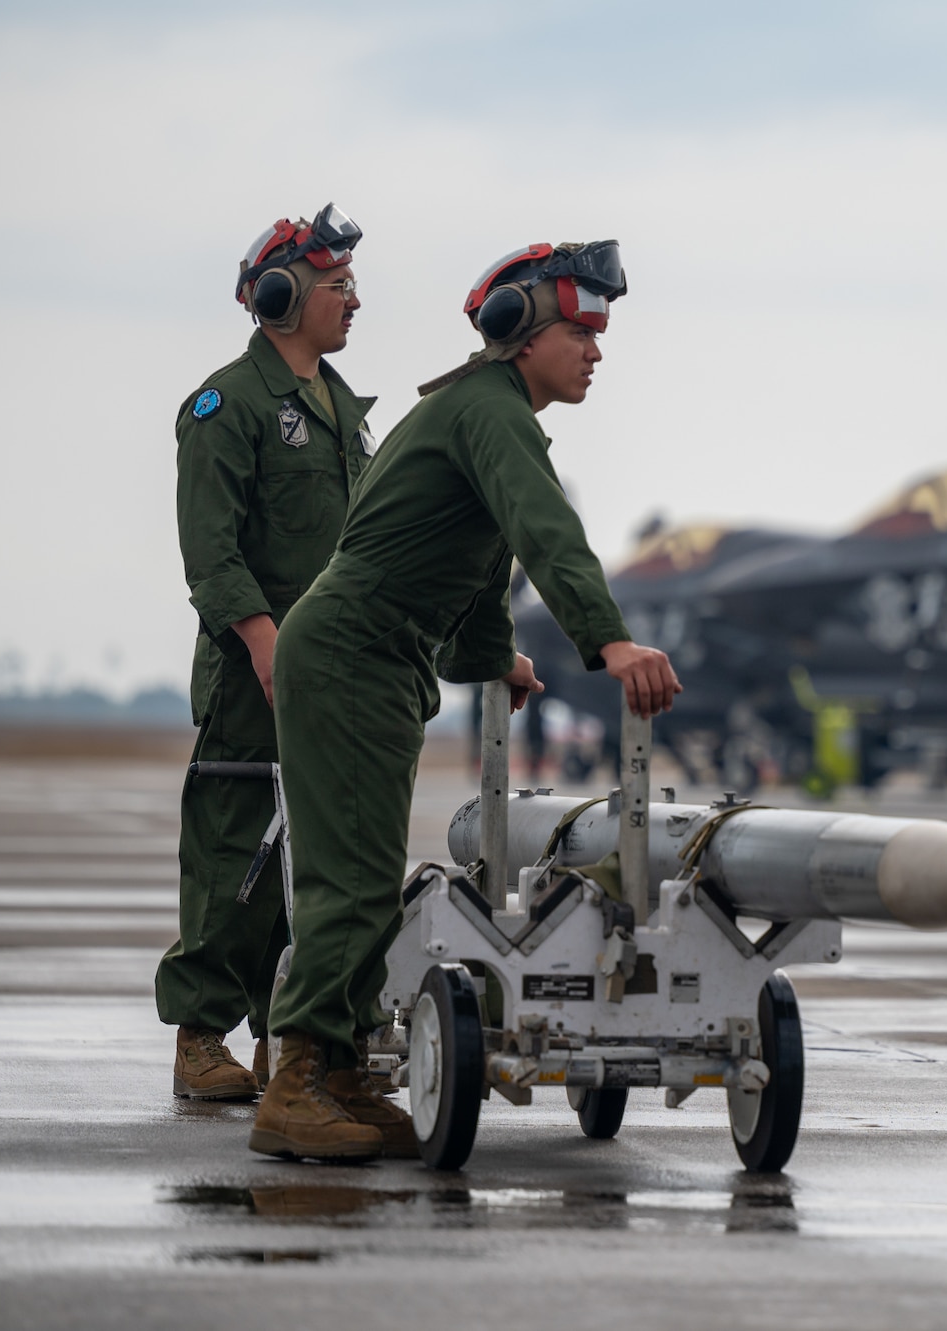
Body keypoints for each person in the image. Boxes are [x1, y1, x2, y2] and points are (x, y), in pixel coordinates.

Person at [250, 239, 680, 1162]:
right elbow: (543, 526)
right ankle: (296, 1085)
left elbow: (485, 566)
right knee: (354, 881)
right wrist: (608, 642)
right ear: (520, 333)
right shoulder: (493, 415)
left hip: (371, 654)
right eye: (580, 330)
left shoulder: (477, 410)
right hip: (352, 652)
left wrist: (498, 657)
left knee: (363, 873)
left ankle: (339, 1072)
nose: (597, 350)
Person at [157, 204, 375, 1102]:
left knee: (325, 860)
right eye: (338, 286)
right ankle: (201, 1035)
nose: (356, 301)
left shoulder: (346, 415)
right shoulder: (227, 405)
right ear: (281, 297)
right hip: (257, 672)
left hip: (335, 672)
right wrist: (261, 640)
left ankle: (292, 1037)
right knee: (234, 852)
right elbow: (211, 551)